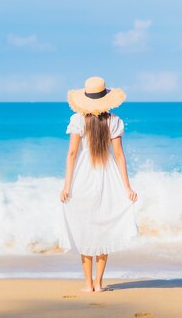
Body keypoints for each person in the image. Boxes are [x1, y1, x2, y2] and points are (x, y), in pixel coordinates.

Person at [59, 76, 139, 293]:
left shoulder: (78, 120)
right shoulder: (114, 121)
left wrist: (67, 185)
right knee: (104, 228)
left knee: (85, 228)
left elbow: (72, 153)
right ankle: (99, 283)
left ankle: (87, 284)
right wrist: (126, 187)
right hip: (107, 177)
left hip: (84, 177)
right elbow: (120, 156)